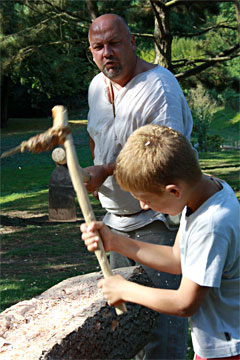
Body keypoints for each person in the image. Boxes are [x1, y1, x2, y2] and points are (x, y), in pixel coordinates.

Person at [84, 13, 194, 358]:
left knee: (161, 331)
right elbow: (95, 136)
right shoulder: (95, 88)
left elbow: (165, 154)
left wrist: (106, 169)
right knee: (127, 323)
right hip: (116, 221)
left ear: (132, 43)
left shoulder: (158, 87)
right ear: (91, 52)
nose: (107, 53)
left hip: (155, 223)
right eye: (98, 47)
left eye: (114, 43)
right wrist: (94, 174)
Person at [81, 124, 240, 360]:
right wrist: (114, 241)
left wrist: (126, 289)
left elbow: (185, 303)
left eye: (145, 199)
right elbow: (178, 259)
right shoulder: (204, 192)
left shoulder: (211, 225)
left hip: (227, 350)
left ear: (174, 191)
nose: (144, 206)